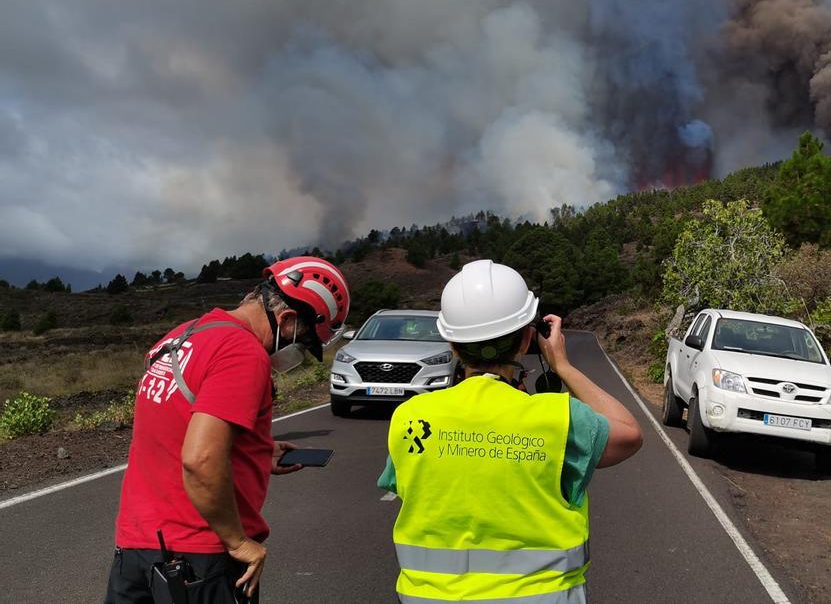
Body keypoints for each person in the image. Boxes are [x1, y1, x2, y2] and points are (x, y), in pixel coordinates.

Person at [379, 259, 643, 603]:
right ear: (527, 339)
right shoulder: (559, 418)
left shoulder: (410, 417)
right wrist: (562, 365)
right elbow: (629, 433)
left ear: (453, 346)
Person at [106, 256, 350, 604]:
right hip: (200, 561)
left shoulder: (181, 336)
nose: (300, 353)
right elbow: (200, 459)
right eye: (305, 341)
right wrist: (238, 542)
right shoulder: (243, 353)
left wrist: (257, 452)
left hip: (135, 551)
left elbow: (173, 431)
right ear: (287, 319)